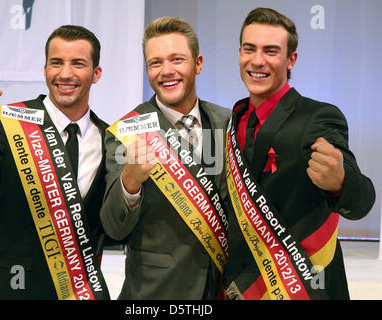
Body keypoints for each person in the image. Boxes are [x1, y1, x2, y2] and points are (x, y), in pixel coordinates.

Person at [225, 7, 375, 300]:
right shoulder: (234, 118)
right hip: (242, 285)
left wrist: (342, 181)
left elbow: (362, 199)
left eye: (271, 51)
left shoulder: (318, 117)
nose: (257, 61)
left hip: (302, 285)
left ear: (291, 59)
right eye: (249, 49)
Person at [0, 25, 111, 300]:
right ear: (44, 69)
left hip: (79, 293)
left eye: (78, 63)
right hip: (8, 289)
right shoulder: (7, 123)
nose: (65, 74)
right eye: (56, 63)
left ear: (96, 73)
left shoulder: (111, 140)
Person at [100, 17, 231, 299]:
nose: (166, 71)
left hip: (222, 288)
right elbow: (114, 228)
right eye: (155, 62)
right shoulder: (127, 133)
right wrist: (129, 184)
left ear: (198, 63)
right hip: (157, 293)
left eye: (177, 59)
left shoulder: (228, 122)